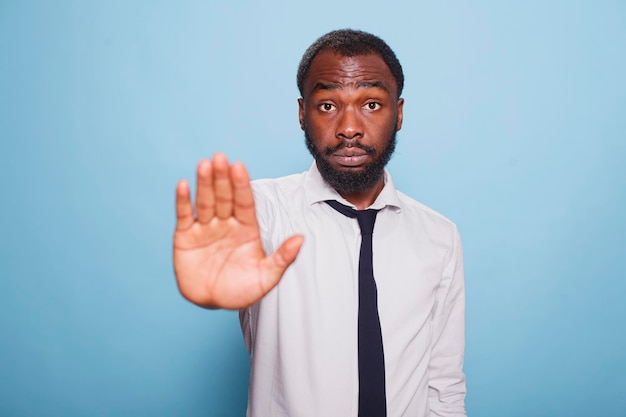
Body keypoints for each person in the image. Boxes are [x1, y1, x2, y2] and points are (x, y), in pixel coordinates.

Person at [173, 29, 466, 417]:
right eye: (328, 105)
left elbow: (443, 386)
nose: (349, 127)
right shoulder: (259, 212)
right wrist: (215, 289)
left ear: (399, 113)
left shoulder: (439, 236)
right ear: (302, 114)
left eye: (372, 105)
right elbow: (234, 254)